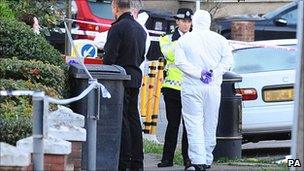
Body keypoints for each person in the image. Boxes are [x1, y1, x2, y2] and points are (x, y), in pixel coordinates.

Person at [174, 10, 233, 171]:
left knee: (194, 123)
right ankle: (207, 158)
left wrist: (198, 73)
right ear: (209, 22)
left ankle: (197, 160)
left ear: (193, 21)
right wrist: (214, 73)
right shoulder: (220, 40)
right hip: (212, 87)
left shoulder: (184, 40)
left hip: (192, 87)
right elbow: (228, 60)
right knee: (210, 122)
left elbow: (180, 62)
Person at [102, 0, 147, 170]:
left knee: (122, 121)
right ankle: (137, 162)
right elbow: (141, 56)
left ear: (115, 8)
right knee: (134, 120)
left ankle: (124, 161)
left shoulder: (117, 28)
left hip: (119, 80)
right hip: (135, 77)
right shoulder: (140, 30)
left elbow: (109, 59)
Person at [157, 8, 193, 168]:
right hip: (172, 88)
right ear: (177, 22)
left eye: (188, 21)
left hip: (190, 88)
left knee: (189, 125)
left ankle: (188, 159)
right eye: (183, 21)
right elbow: (169, 54)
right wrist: (185, 41)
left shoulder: (196, 38)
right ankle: (167, 159)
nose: (186, 24)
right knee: (173, 124)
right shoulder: (167, 38)